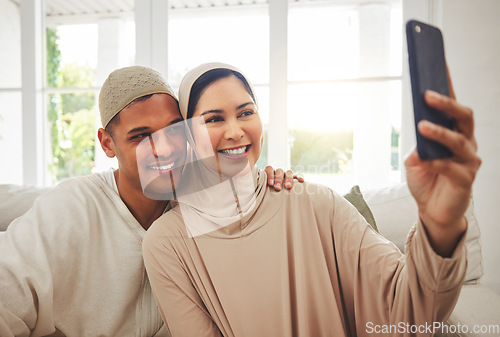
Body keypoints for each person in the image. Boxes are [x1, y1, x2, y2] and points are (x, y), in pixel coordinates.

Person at [142, 63, 481, 337]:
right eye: (214, 119)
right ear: (188, 135)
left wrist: (441, 223)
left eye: (246, 112)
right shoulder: (168, 243)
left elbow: (412, 310)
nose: (235, 131)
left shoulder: (316, 203)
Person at [0, 65, 300, 337]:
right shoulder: (71, 207)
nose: (165, 149)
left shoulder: (205, 205)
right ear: (107, 143)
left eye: (173, 131)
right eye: (141, 137)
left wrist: (270, 181)